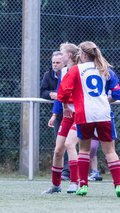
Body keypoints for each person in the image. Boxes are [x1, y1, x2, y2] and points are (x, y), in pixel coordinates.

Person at [58, 41, 120, 197]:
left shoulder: (76, 70)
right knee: (110, 151)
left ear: (83, 55)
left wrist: (65, 106)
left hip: (84, 114)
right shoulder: (105, 69)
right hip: (104, 113)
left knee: (84, 150)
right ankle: (118, 185)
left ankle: (83, 185)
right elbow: (117, 92)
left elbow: (64, 90)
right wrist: (107, 99)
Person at [43, 42, 80, 194]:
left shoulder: (80, 70)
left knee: (70, 145)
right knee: (58, 150)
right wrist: (54, 114)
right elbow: (60, 94)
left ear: (69, 55)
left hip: (80, 115)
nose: (60, 55)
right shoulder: (63, 72)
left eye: (62, 53)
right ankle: (56, 185)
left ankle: (74, 182)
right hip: (67, 116)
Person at [40, 51, 70, 180]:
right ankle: (63, 171)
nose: (55, 65)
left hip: (71, 112)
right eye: (53, 62)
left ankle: (71, 171)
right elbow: (42, 92)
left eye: (58, 62)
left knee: (71, 143)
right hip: (58, 113)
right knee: (60, 143)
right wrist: (51, 94)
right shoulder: (48, 75)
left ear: (64, 63)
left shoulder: (69, 73)